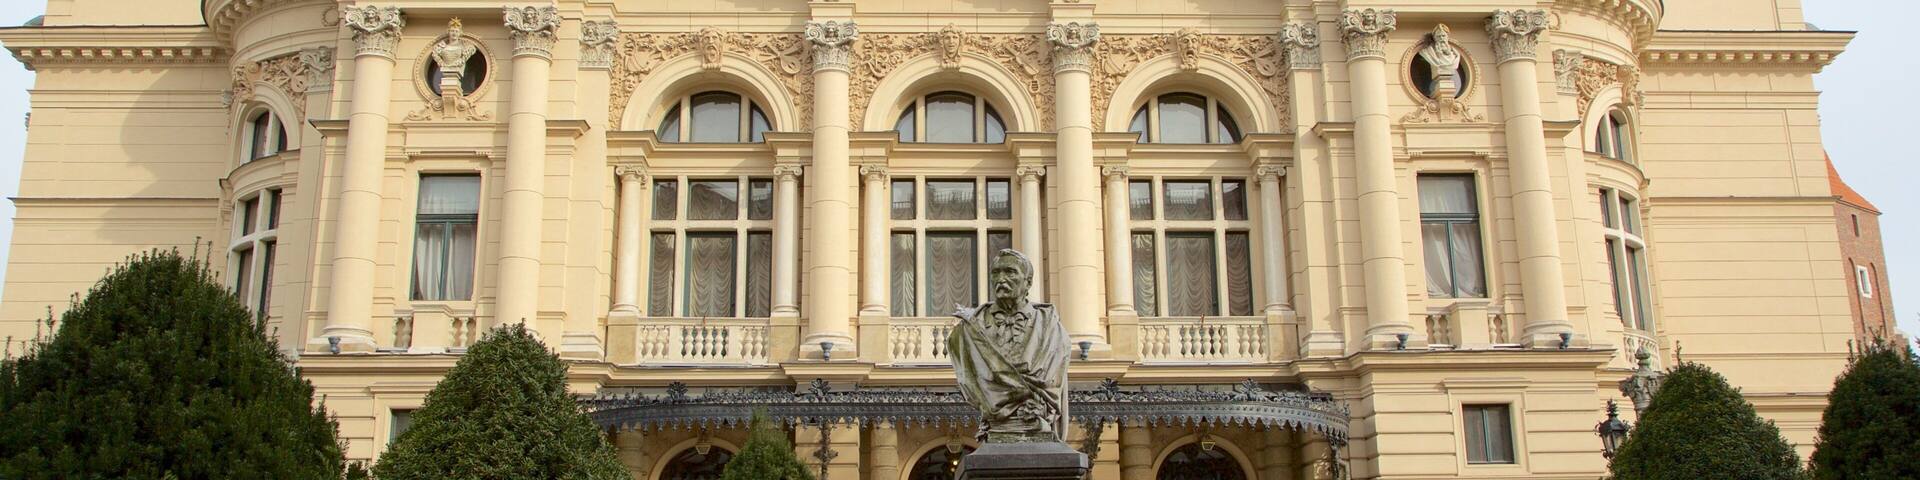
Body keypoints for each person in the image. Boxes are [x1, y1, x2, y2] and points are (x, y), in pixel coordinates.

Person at [948, 249, 1071, 443]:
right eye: (996, 273)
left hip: (1036, 423)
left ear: (1028, 282)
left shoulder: (1053, 332)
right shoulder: (968, 332)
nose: (1001, 279)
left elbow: (1051, 378)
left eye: (1010, 272)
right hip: (996, 426)